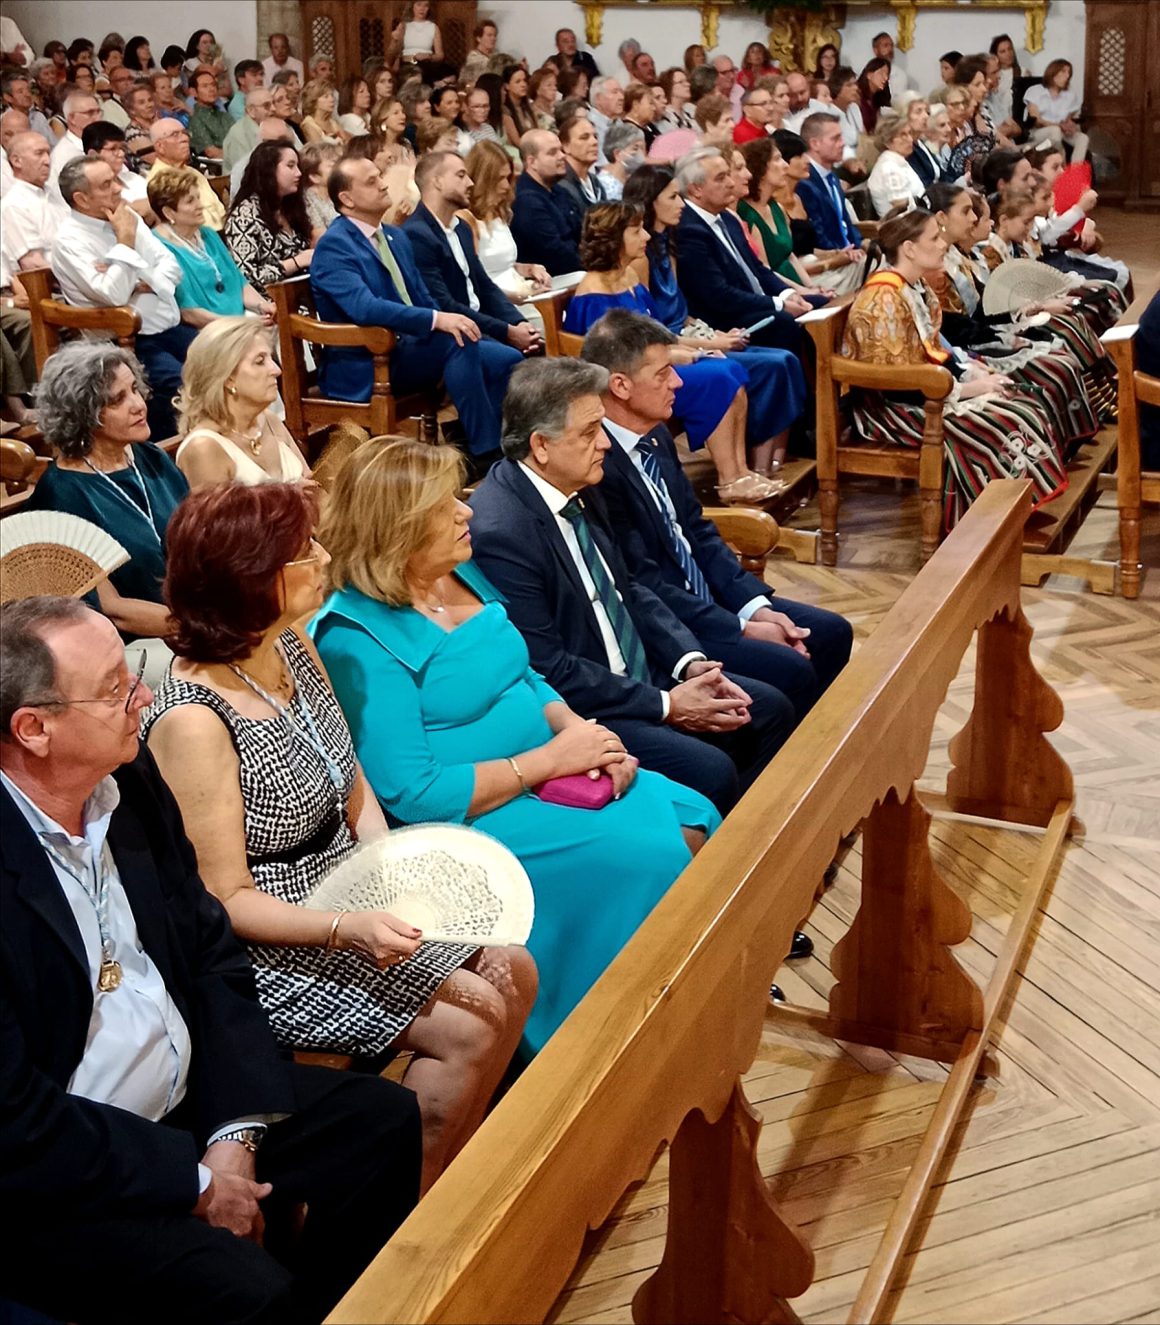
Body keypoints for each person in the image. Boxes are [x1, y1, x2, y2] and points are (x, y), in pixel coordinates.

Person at [0, 591, 425, 1325]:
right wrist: (192, 1181)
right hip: (70, 1167)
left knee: (381, 1121)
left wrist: (232, 1135)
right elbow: (16, 1119)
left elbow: (210, 955)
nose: (144, 694)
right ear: (33, 728)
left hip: (185, 1105)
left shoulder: (124, 781)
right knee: (250, 1293)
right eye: (114, 688)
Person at [143, 482, 533, 1187]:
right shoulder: (194, 719)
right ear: (254, 578)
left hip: (348, 884)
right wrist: (346, 924)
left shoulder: (289, 642)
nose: (324, 557)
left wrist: (391, 865)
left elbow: (347, 774)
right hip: (273, 935)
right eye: (304, 551)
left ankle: (449, 1175)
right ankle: (406, 1215)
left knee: (515, 967)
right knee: (470, 1020)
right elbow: (224, 898)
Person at [308, 434, 713, 1055]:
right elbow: (413, 794)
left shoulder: (456, 570)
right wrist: (548, 761)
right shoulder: (353, 638)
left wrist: (583, 733)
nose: (468, 511)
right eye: (448, 505)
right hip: (475, 817)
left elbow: (523, 670)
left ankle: (670, 1000)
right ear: (401, 528)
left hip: (554, 772)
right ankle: (598, 1035)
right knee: (650, 854)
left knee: (696, 813)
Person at [468, 357, 794, 815]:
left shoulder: (579, 482)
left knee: (768, 709)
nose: (604, 443)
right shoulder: (502, 530)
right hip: (586, 708)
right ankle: (718, 869)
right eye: (589, 432)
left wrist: (690, 665)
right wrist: (666, 705)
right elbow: (550, 668)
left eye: (601, 426)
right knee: (712, 768)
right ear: (541, 445)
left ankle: (759, 846)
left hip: (641, 675)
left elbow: (631, 589)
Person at [582, 306, 851, 729]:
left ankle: (825, 752)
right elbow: (642, 583)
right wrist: (738, 629)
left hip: (710, 598)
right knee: (791, 670)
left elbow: (698, 531)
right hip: (671, 623)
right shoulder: (596, 465)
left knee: (832, 632)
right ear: (620, 385)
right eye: (663, 373)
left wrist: (754, 607)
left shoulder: (653, 435)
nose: (677, 381)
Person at [842, 208, 1069, 528]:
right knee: (1005, 419)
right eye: (934, 238)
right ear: (909, 248)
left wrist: (971, 373)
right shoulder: (884, 298)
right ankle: (982, 525)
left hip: (925, 391)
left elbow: (932, 350)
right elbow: (895, 381)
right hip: (892, 409)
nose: (942, 244)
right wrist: (966, 390)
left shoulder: (912, 286)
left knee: (1021, 403)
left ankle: (1003, 517)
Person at [567, 198, 802, 495]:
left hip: (654, 365)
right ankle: (729, 480)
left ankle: (741, 472)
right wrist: (685, 356)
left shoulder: (629, 274)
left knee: (728, 369)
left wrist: (699, 348)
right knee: (718, 377)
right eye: (637, 230)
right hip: (630, 379)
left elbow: (657, 332)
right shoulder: (592, 292)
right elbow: (615, 358)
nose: (647, 237)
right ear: (614, 237)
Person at [311, 153, 522, 463]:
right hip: (368, 361)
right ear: (347, 198)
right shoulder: (335, 245)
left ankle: (475, 440)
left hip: (409, 347)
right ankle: (486, 453)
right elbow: (365, 308)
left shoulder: (396, 236)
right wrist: (438, 320)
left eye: (380, 176)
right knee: (455, 340)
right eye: (372, 182)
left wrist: (446, 319)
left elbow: (424, 299)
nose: (384, 185)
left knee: (507, 357)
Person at [27, 342, 189, 647]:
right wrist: (204, 628)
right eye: (118, 400)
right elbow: (112, 610)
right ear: (83, 414)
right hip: (137, 644)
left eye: (135, 389)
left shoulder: (150, 457)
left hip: (199, 621)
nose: (139, 404)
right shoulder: (62, 496)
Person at [52, 157, 194, 438]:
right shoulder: (69, 241)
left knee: (227, 361)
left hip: (168, 327)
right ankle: (174, 455)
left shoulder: (127, 217)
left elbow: (172, 268)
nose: (119, 188)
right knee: (184, 383)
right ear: (81, 198)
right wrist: (126, 242)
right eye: (107, 184)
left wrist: (140, 277)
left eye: (116, 179)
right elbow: (114, 295)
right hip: (122, 342)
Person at [403, 150, 541, 357]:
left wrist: (519, 323)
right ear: (437, 182)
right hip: (454, 334)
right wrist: (508, 332)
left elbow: (485, 286)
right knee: (512, 358)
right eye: (460, 175)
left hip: (480, 323)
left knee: (539, 346)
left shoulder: (462, 228)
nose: (470, 183)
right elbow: (445, 304)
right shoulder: (417, 234)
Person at [673, 148, 812, 351]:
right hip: (726, 319)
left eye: (729, 175)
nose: (731, 183)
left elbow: (757, 267)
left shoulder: (728, 218)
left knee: (818, 302)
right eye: (721, 178)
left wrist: (786, 293)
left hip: (754, 304)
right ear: (696, 190)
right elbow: (718, 295)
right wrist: (777, 304)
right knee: (782, 321)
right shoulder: (688, 230)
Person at [170, 318, 303, 488]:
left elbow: (314, 490)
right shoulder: (204, 449)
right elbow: (220, 515)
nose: (277, 370)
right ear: (228, 378)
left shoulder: (270, 421)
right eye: (260, 361)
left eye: (271, 359)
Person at [147, 167, 276, 330]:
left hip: (239, 321)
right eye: (190, 201)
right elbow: (188, 312)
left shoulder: (208, 234)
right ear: (168, 212)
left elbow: (239, 283)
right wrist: (237, 325)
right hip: (207, 330)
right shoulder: (160, 247)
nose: (200, 206)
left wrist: (262, 305)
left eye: (198, 198)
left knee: (279, 324)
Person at [459, 139, 552, 319]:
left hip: (521, 294)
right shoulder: (466, 220)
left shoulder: (500, 211)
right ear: (482, 179)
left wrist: (530, 270)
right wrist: (519, 296)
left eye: (508, 178)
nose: (506, 186)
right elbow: (477, 279)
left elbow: (502, 265)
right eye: (499, 179)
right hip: (499, 305)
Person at [733, 136, 836, 296]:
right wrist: (803, 292)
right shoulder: (746, 214)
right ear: (760, 169)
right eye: (777, 159)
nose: (785, 166)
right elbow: (765, 269)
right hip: (780, 292)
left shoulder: (777, 208)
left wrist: (811, 287)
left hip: (797, 283)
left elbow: (791, 256)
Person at [225, 140, 315, 294]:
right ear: (269, 170)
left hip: (306, 289)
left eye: (298, 166)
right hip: (273, 300)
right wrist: (296, 262)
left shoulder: (290, 206)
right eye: (290, 166)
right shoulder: (245, 216)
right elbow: (246, 276)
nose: (299, 173)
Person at [510, 128, 583, 276]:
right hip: (553, 279)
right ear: (532, 162)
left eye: (561, 150)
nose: (562, 156)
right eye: (552, 152)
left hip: (577, 268)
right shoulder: (526, 201)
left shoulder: (559, 190)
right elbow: (555, 254)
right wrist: (596, 266)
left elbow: (582, 232)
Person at [796, 111, 866, 252]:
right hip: (831, 258)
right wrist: (844, 254)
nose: (842, 144)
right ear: (815, 144)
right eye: (835, 139)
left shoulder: (831, 176)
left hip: (849, 253)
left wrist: (860, 245)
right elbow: (818, 236)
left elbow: (845, 221)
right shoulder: (804, 182)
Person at [1, 130, 68, 275]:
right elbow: (33, 264)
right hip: (55, 289)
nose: (47, 161)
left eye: (48, 153)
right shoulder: (14, 205)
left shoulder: (54, 195)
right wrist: (81, 273)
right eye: (39, 153)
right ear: (16, 161)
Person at [148, 117, 226, 228]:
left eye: (184, 133)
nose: (185, 138)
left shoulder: (193, 173)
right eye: (175, 134)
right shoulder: (158, 182)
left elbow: (221, 212)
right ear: (160, 146)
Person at [82, 121, 152, 218]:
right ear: (93, 155)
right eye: (113, 149)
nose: (121, 154)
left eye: (122, 148)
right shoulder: (96, 193)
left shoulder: (133, 177)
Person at [1024, 59, 1087, 164]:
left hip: (1061, 131)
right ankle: (1061, 168)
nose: (1067, 76)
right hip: (1039, 131)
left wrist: (1070, 125)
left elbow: (1069, 119)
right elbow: (1036, 120)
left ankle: (1074, 174)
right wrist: (1058, 125)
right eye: (1063, 71)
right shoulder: (1035, 91)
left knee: (1083, 138)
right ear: (1052, 72)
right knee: (1055, 131)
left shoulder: (1070, 95)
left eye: (1069, 73)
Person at [867, 114, 924, 217]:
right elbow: (901, 209)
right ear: (888, 141)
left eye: (910, 133)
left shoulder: (898, 162)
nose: (910, 139)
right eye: (903, 135)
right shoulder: (889, 168)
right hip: (904, 227)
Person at [47, 90, 102, 196]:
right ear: (72, 118)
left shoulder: (101, 143)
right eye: (90, 113)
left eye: (98, 112)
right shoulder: (64, 155)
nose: (97, 117)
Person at [391, 0, 451, 81]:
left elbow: (440, 55)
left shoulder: (433, 27)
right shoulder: (403, 25)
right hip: (406, 66)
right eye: (419, 5)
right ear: (412, 6)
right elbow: (395, 50)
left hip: (426, 66)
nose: (422, 9)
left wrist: (428, 56)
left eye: (426, 5)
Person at [558, 114, 606, 211]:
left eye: (595, 136)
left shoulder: (595, 182)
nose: (594, 142)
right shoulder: (560, 185)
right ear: (565, 146)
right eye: (584, 137)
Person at [223, 87, 274, 174]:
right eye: (267, 105)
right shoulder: (238, 133)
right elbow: (244, 172)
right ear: (251, 111)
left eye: (274, 103)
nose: (273, 109)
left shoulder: (276, 125)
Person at [596, 119, 646, 202]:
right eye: (635, 148)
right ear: (617, 154)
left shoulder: (630, 182)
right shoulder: (606, 186)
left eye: (642, 149)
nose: (640, 154)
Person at [188, 68, 232, 161]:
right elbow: (211, 152)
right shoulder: (195, 120)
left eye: (213, 85)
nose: (211, 89)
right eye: (205, 86)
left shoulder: (224, 115)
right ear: (194, 92)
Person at [302, 137, 342, 234]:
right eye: (333, 165)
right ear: (314, 177)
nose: (341, 168)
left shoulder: (340, 191)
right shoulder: (308, 201)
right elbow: (321, 237)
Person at [588, 76, 623, 160]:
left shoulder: (618, 122)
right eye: (615, 92)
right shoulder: (589, 125)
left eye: (621, 92)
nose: (622, 97)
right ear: (598, 98)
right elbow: (601, 164)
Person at [501, 64, 537, 148]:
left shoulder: (528, 106)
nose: (523, 85)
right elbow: (517, 141)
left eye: (524, 80)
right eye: (518, 82)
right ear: (507, 86)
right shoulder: (505, 111)